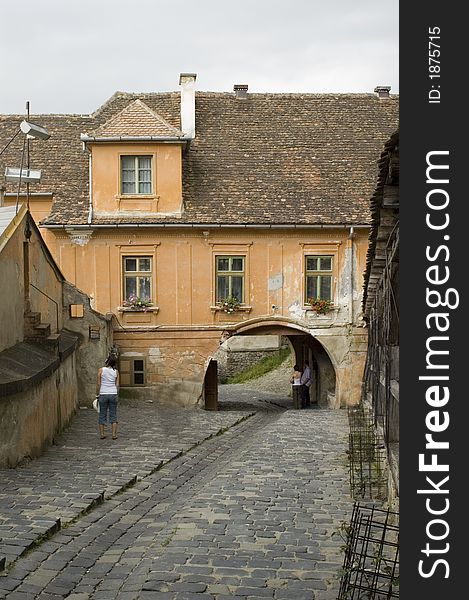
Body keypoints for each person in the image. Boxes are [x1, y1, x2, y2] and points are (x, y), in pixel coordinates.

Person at [96, 355, 119, 439]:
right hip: (113, 393)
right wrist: (116, 394)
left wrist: (97, 394)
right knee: (113, 414)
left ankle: (102, 434)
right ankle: (114, 434)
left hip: (103, 393)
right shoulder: (116, 372)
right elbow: (117, 385)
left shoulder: (101, 370)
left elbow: (98, 384)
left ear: (107, 361)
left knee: (102, 414)